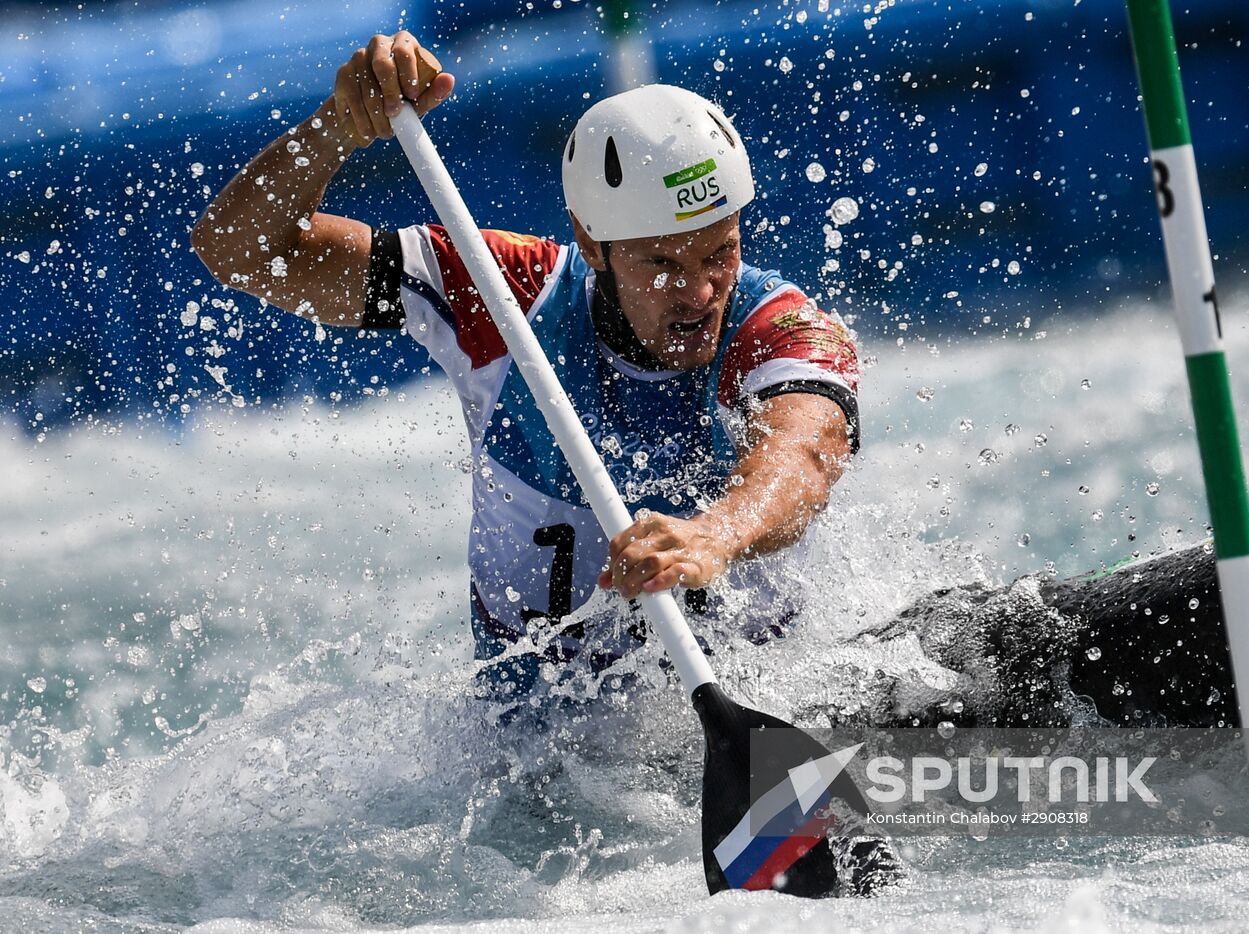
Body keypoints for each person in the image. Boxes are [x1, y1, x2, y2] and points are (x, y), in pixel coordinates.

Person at [191, 32, 861, 697]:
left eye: (720, 252)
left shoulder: (784, 327)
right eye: (662, 263)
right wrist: (338, 125)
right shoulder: (503, 296)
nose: (700, 291)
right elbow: (238, 250)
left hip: (764, 696)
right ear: (591, 242)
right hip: (529, 751)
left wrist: (714, 535)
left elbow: (804, 454)